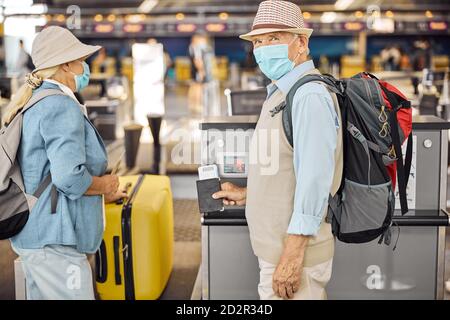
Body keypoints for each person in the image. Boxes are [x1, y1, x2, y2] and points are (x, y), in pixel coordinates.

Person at [212, 0, 343, 300]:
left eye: (274, 38)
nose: (263, 47)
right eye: (258, 41)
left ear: (301, 42)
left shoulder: (309, 96)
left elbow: (314, 181)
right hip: (277, 251)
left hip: (295, 256)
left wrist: (293, 257)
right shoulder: (281, 93)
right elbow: (289, 170)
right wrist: (250, 193)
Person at [4, 26, 127, 300]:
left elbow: (45, 174)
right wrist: (104, 185)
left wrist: (100, 196)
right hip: (55, 241)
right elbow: (68, 178)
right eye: (80, 60)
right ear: (65, 65)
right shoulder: (60, 105)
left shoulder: (37, 101)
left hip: (40, 235)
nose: (85, 66)